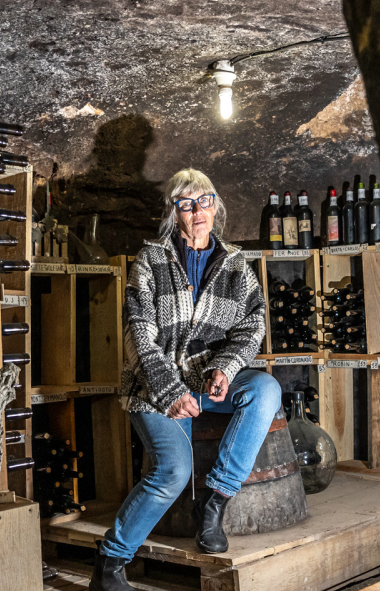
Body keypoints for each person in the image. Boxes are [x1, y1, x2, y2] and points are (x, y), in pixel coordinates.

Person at [91, 168, 280, 591]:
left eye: (205, 201)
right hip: (155, 389)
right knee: (173, 470)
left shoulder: (234, 264)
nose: (198, 211)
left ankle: (213, 502)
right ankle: (110, 564)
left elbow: (253, 324)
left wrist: (226, 368)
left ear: (217, 206)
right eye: (187, 203)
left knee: (266, 388)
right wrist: (171, 392)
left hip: (209, 383)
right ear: (174, 212)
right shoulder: (152, 261)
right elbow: (137, 336)